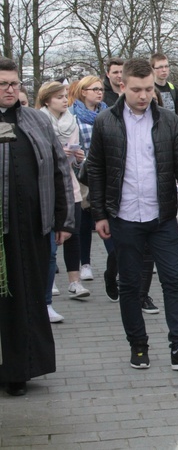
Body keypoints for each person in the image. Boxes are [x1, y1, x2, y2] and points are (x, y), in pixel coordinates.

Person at [86, 58, 178, 371]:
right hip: (124, 216)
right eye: (137, 89)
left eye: (149, 88)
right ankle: (138, 345)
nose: (144, 95)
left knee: (173, 281)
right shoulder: (106, 122)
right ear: (122, 86)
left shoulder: (169, 121)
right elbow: (97, 170)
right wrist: (99, 213)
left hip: (162, 216)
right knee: (129, 284)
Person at [0, 57, 75, 396]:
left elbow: (60, 169)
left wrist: (63, 219)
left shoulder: (35, 120)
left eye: (14, 83)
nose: (10, 89)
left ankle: (23, 370)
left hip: (32, 226)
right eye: (3, 84)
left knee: (29, 299)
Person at [37, 81, 87, 323]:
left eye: (66, 96)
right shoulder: (38, 120)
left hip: (70, 184)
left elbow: (78, 162)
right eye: (58, 97)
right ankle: (48, 291)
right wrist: (58, 153)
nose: (64, 100)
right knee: (50, 242)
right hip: (47, 187)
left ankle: (74, 281)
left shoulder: (72, 120)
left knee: (73, 233)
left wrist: (77, 157)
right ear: (46, 100)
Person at [70, 75, 108, 286]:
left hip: (104, 171)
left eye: (101, 89)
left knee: (106, 216)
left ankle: (115, 262)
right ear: (83, 92)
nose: (99, 93)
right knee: (85, 219)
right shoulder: (73, 114)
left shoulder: (108, 113)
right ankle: (85, 263)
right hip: (82, 172)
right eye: (94, 89)